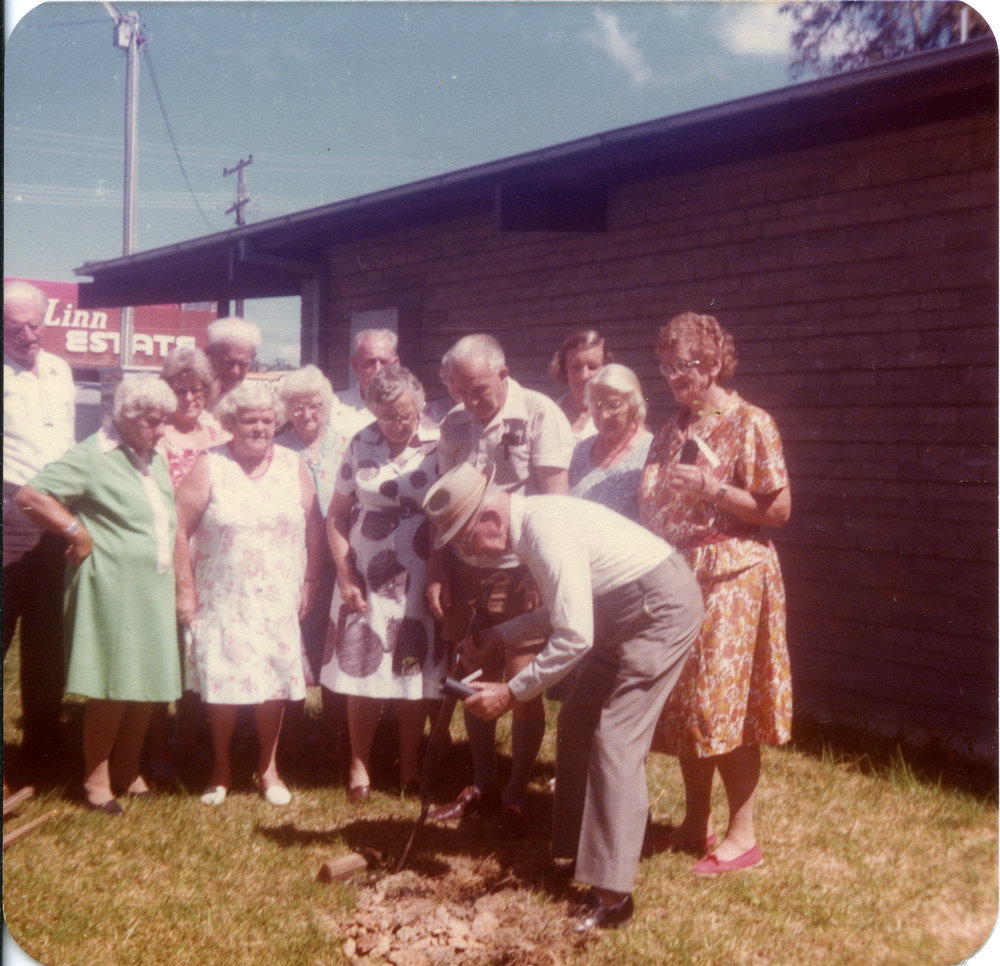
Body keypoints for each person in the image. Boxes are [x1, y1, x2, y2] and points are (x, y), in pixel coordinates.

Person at [422, 465, 703, 930]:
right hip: (616, 611)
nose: (468, 553)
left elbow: (574, 637)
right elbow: (566, 610)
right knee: (576, 723)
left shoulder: (545, 530)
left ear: (491, 515)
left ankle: (614, 898)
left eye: (466, 539)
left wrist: (511, 693)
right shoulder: (530, 528)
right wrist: (500, 633)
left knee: (615, 739)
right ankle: (578, 856)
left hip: (659, 611)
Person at [638, 311, 792, 876]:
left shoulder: (751, 422)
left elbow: (778, 510)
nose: (677, 377)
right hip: (678, 574)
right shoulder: (673, 427)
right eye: (668, 367)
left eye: (688, 366)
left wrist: (713, 489)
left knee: (722, 705)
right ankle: (692, 823)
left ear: (715, 363)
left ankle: (742, 836)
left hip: (731, 573)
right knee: (684, 704)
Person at [427, 333, 573, 838]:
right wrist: (438, 569)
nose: (470, 402)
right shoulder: (452, 423)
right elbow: (442, 505)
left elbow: (557, 505)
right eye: (459, 392)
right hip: (467, 566)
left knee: (519, 677)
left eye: (479, 390)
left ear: (504, 373)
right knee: (472, 669)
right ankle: (482, 785)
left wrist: (539, 576)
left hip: (520, 565)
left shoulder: (539, 414)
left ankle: (515, 791)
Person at [16, 375, 182, 813]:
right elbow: (31, 495)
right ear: (126, 416)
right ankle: (96, 780)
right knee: (113, 682)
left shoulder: (152, 455)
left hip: (153, 584)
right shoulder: (93, 454)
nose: (161, 429)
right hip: (112, 584)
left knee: (146, 681)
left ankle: (128, 770)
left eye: (164, 420)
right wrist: (75, 531)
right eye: (153, 420)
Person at [174, 381, 326, 807]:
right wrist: (185, 589)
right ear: (231, 424)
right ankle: (221, 769)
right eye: (249, 419)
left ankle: (268, 769)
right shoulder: (210, 464)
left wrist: (311, 581)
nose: (260, 427)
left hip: (278, 593)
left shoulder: (293, 463)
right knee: (223, 679)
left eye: (266, 419)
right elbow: (178, 526)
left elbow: (314, 526)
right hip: (223, 594)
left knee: (273, 680)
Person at [319, 364, 443, 802]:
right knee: (363, 668)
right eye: (386, 417)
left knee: (412, 666)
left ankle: (410, 765)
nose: (395, 426)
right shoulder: (360, 442)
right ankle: (360, 766)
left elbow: (447, 516)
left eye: (404, 416)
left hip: (418, 574)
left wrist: (440, 577)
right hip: (366, 577)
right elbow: (335, 515)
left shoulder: (439, 444)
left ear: (420, 406)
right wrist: (344, 571)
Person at [3, 280, 76, 773]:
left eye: (35, 324)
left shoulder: (60, 371)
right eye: (15, 327)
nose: (28, 335)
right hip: (7, 512)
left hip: (55, 517)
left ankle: (41, 750)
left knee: (49, 641)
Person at [275, 365, 348, 764]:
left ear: (326, 405)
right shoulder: (277, 446)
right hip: (291, 560)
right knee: (295, 646)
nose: (306, 413)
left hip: (339, 561)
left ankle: (337, 734)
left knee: (335, 647)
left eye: (313, 404)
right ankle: (292, 738)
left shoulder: (346, 446)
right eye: (297, 406)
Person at [568, 364, 652, 523]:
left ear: (633, 405)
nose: (604, 415)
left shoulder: (651, 451)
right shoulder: (582, 450)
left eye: (614, 405)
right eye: (597, 406)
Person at [159, 346, 222, 487]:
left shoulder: (215, 435)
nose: (188, 398)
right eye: (180, 391)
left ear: (206, 391)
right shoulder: (159, 435)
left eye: (195, 390)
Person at [335, 328, 400, 440]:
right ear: (355, 365)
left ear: (395, 365)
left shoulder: (412, 409)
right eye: (370, 362)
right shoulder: (333, 408)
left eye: (384, 362)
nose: (378, 369)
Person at [548, 329, 611, 442]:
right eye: (576, 367)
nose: (584, 376)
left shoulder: (616, 413)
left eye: (592, 367)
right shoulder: (551, 412)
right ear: (564, 369)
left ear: (606, 368)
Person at [206, 316, 260, 396]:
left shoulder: (256, 402)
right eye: (228, 363)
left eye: (243, 364)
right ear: (210, 355)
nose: (235, 371)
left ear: (252, 358)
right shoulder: (191, 400)